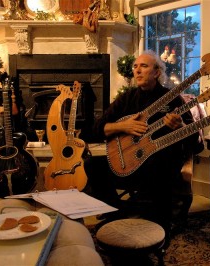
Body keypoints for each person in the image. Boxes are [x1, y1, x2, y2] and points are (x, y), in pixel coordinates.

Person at [85, 50, 199, 241]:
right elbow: (92, 131)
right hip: (127, 159)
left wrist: (180, 125)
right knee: (91, 165)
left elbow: (193, 137)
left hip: (159, 162)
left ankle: (156, 223)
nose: (137, 70)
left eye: (144, 66)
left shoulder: (171, 98)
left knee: (158, 163)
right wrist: (123, 126)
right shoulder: (127, 99)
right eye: (135, 67)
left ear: (157, 73)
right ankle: (116, 212)